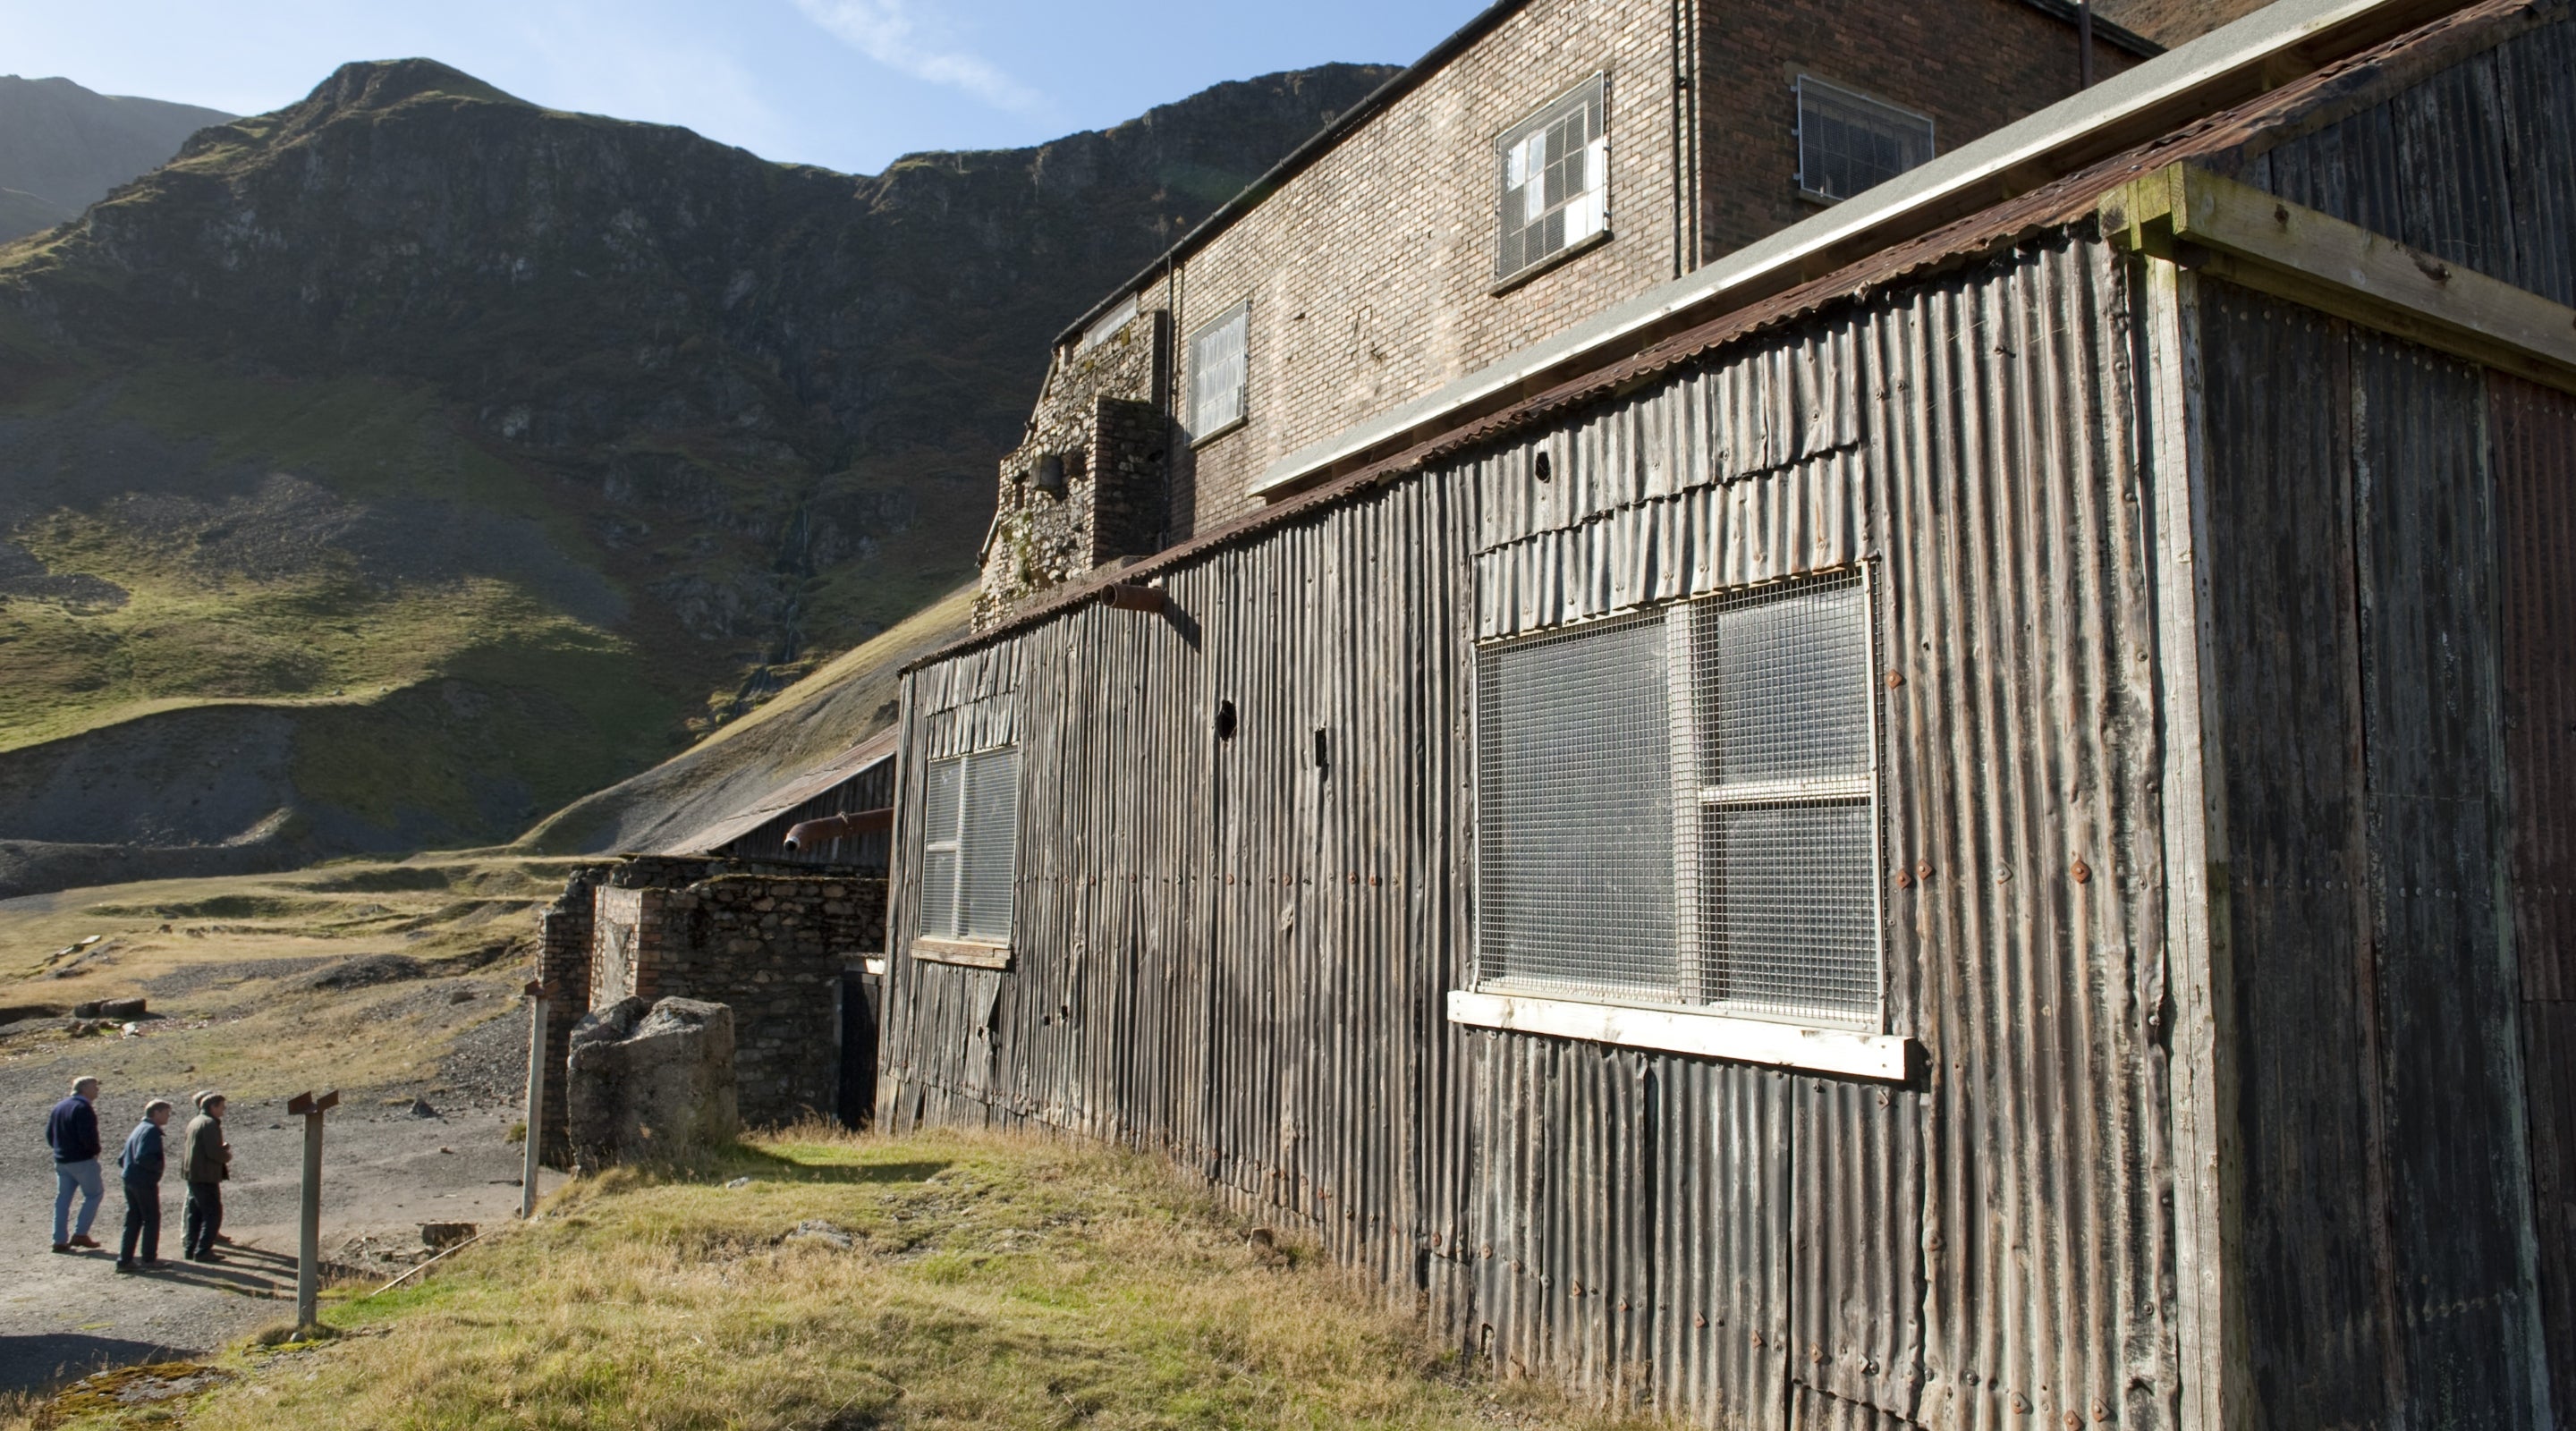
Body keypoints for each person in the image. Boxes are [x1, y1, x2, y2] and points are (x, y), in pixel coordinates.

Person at [46, 1076, 105, 1254]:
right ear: (84, 1088)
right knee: (94, 1194)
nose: (97, 1090)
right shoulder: (83, 1109)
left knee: (63, 1199)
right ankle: (80, 1233)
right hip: (82, 1160)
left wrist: (59, 1149)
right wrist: (94, 1151)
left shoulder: (59, 1107)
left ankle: (59, 1239)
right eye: (94, 1086)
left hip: (62, 1161)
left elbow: (50, 1134)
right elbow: (88, 1136)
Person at [114, 1099, 174, 1273]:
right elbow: (144, 1157)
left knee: (133, 1219)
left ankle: (124, 1260)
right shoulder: (151, 1132)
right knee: (151, 1219)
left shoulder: (138, 1129)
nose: (168, 1116)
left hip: (130, 1179)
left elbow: (121, 1159)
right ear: (156, 1113)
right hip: (143, 1182)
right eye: (166, 1112)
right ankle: (149, 1259)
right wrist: (157, 1170)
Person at [178, 1091, 231, 1263]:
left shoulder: (195, 1122)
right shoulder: (209, 1124)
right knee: (213, 1213)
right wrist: (226, 1155)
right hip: (205, 1175)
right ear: (212, 1106)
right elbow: (213, 1152)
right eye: (221, 1107)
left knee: (196, 1214)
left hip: (194, 1175)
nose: (223, 1111)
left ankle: (190, 1249)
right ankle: (203, 1251)